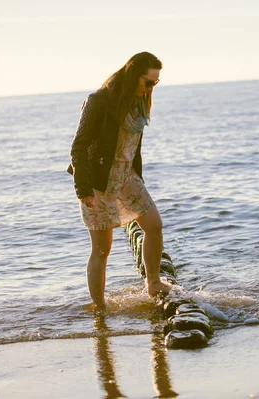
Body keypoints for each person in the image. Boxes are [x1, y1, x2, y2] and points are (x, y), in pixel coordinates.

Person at [67, 52, 171, 309]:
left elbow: (133, 145)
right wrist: (83, 189)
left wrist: (138, 175)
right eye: (149, 82)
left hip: (128, 177)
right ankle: (99, 307)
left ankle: (153, 283)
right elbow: (78, 147)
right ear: (133, 75)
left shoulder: (140, 101)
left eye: (155, 83)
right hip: (98, 181)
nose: (151, 88)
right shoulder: (99, 100)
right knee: (102, 250)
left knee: (154, 225)